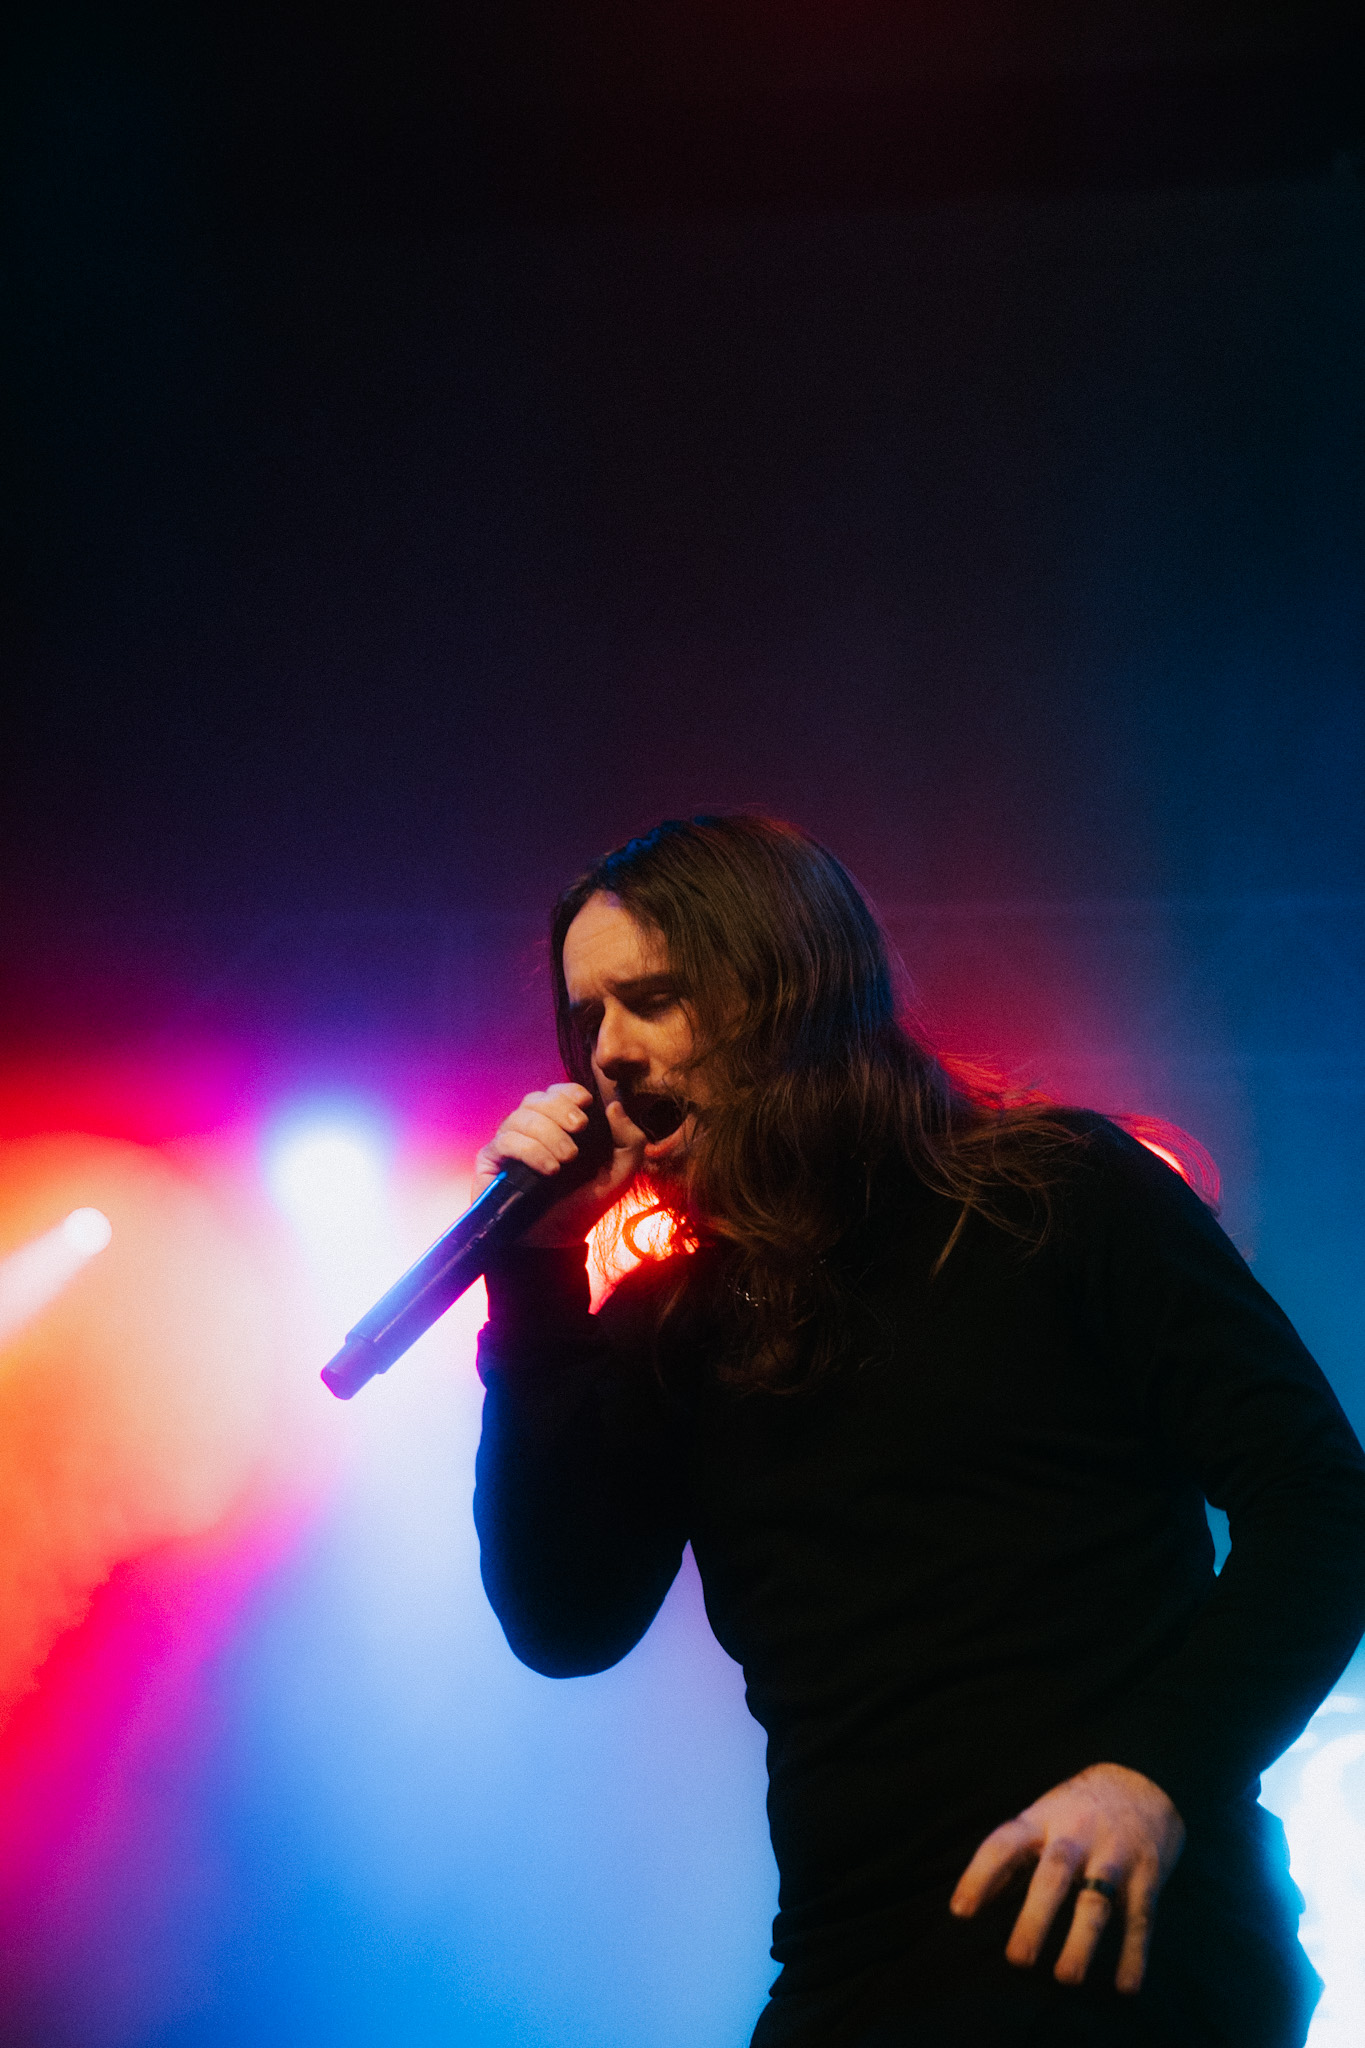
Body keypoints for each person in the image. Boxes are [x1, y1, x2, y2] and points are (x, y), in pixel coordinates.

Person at [470, 813, 1365, 2047]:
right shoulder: (677, 1322)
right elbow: (566, 1620)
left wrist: (1154, 1773)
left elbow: (1321, 1504)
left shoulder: (1057, 1193)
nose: (609, 1054)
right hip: (858, 1971)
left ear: (781, 989)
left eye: (653, 999)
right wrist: (530, 1280)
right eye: (588, 1019)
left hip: (1128, 1944)